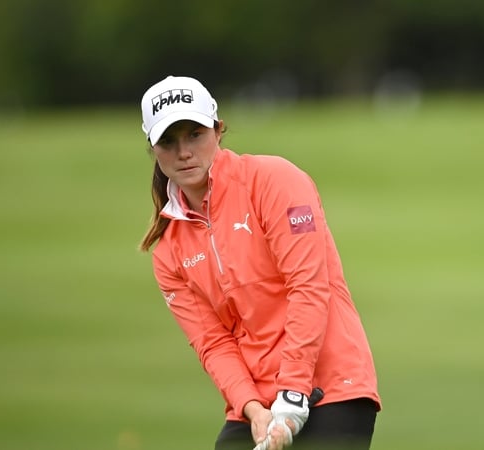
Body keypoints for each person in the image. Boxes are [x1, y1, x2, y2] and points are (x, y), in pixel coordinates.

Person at [137, 75, 381, 450]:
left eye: (194, 134)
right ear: (153, 149)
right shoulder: (169, 251)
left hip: (333, 387)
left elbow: (308, 286)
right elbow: (213, 343)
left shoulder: (274, 180)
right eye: (168, 141)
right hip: (257, 406)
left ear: (218, 131)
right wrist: (253, 409)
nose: (183, 151)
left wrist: (293, 393)